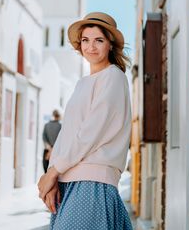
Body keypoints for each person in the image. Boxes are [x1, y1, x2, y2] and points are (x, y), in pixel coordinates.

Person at [38, 12, 133, 230]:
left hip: (92, 183)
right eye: (85, 40)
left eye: (99, 40)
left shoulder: (113, 77)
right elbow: (67, 133)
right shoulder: (83, 83)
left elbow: (91, 132)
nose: (91, 46)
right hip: (68, 181)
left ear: (110, 44)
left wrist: (52, 172)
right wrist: (53, 175)